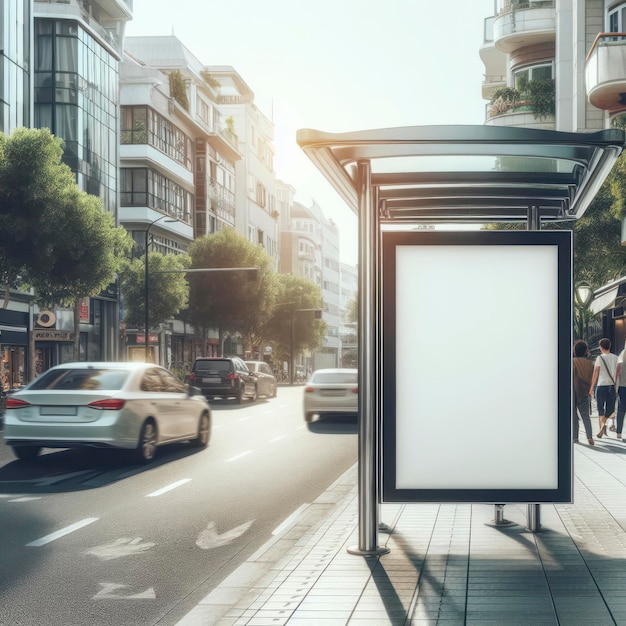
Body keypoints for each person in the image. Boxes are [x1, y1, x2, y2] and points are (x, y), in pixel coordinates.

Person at [590, 338, 619, 438]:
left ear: (601, 347)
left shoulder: (599, 358)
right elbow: (618, 373)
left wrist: (591, 387)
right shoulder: (616, 358)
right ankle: (604, 424)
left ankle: (601, 427)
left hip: (601, 386)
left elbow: (596, 372)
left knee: (600, 409)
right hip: (611, 386)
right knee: (609, 409)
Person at [573, 340, 595, 445]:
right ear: (586, 351)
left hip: (573, 390)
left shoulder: (572, 362)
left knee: (573, 415)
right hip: (584, 391)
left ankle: (575, 437)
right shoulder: (590, 363)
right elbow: (592, 378)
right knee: (585, 415)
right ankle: (589, 436)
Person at [615, 348, 626, 441]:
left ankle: (619, 432)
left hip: (622, 386)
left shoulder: (621, 357)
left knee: (621, 409)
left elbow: (617, 373)